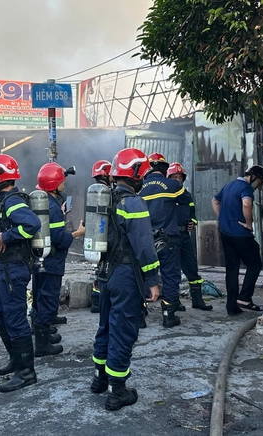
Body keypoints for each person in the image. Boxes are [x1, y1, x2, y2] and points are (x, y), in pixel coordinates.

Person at [91, 148, 160, 411]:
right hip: (125, 275)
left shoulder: (105, 199)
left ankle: (99, 380)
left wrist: (98, 273)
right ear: (134, 174)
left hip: (106, 272)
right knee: (123, 328)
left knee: (106, 325)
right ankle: (116, 392)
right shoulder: (133, 203)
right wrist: (152, 280)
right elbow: (144, 246)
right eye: (142, 174)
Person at [0, 153, 41, 393]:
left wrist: (7, 236)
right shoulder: (5, 200)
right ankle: (16, 359)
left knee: (15, 319)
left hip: (14, 269)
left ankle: (26, 373)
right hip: (5, 267)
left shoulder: (13, 201)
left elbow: (32, 224)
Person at [33, 162, 85, 357]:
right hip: (52, 261)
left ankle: (43, 336)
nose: (64, 183)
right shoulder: (52, 207)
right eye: (62, 180)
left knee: (40, 298)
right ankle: (42, 345)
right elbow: (59, 238)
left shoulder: (46, 202)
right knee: (48, 300)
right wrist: (77, 233)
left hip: (41, 260)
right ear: (54, 184)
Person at [140, 152, 192, 327]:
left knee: (142, 274)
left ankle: (141, 312)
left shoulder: (139, 187)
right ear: (164, 168)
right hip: (168, 238)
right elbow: (187, 200)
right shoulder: (173, 185)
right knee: (170, 275)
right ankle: (168, 314)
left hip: (145, 240)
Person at [212, 165, 263, 315]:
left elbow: (215, 201)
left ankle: (231, 306)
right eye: (260, 182)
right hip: (241, 234)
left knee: (232, 270)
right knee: (255, 264)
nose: (259, 186)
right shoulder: (246, 188)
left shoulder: (229, 185)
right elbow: (247, 204)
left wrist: (223, 220)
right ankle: (244, 297)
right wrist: (249, 224)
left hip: (226, 233)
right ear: (254, 177)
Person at [167, 162, 212, 311]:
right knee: (172, 271)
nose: (177, 180)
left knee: (191, 267)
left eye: (179, 177)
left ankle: (197, 300)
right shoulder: (166, 196)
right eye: (174, 177)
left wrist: (192, 222)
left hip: (184, 236)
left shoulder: (186, 196)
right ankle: (174, 301)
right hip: (170, 237)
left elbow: (192, 214)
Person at [89, 159, 113, 314]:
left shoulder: (92, 191)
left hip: (94, 235)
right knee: (105, 270)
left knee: (97, 269)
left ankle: (95, 301)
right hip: (106, 235)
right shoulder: (106, 193)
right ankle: (101, 302)